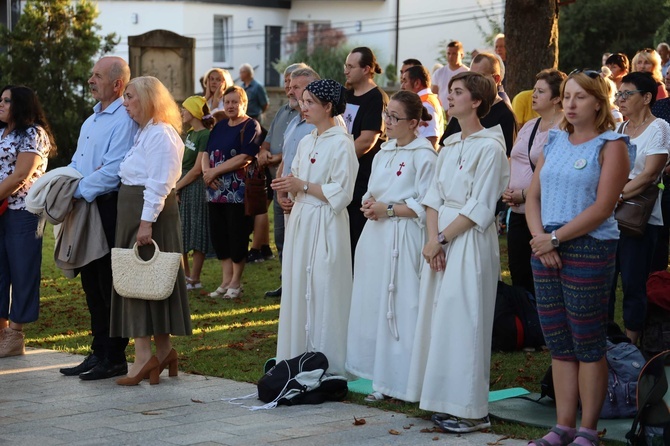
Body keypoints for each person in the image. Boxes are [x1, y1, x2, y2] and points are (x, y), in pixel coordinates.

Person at [525, 69, 631, 446]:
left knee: (587, 342)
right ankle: (562, 426)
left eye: (580, 97)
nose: (570, 103)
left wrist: (554, 238)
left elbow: (604, 207)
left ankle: (588, 430)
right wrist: (540, 238)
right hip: (546, 248)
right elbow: (532, 196)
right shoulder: (553, 140)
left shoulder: (611, 145)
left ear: (599, 103)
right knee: (559, 343)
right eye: (566, 96)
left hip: (589, 248)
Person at [408, 71, 510, 433]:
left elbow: (482, 205)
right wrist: (433, 238)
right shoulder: (449, 145)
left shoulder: (491, 147)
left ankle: (472, 410)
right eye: (448, 92)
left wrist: (443, 239)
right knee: (441, 318)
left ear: (477, 101)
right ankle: (442, 399)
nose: (447, 98)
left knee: (467, 319)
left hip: (468, 240)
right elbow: (433, 196)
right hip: (442, 237)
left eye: (457, 92)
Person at [346, 90, 436, 402]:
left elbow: (427, 203)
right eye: (388, 115)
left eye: (395, 118)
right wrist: (370, 203)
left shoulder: (425, 156)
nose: (388, 122)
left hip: (403, 236)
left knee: (401, 304)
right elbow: (374, 189)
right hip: (377, 236)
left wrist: (389, 210)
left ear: (414, 123)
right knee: (374, 302)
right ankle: (379, 375)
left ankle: (403, 379)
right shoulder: (384, 152)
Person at [109, 76, 192, 386]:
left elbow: (159, 182)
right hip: (138, 212)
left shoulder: (161, 135)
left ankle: (144, 356)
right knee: (143, 282)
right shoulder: (146, 132)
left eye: (130, 97)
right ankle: (164, 351)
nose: (125, 102)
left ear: (147, 99)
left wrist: (145, 222)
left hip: (148, 214)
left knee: (142, 281)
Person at [272, 79, 358, 376]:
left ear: (328, 107)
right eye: (303, 101)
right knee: (298, 284)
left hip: (325, 221)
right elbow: (296, 177)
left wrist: (303, 186)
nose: (303, 107)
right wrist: (288, 191)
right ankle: (296, 353)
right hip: (302, 220)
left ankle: (327, 358)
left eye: (310, 103)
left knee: (324, 285)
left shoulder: (342, 144)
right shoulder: (308, 139)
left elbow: (342, 192)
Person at [59, 56, 137, 380]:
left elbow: (114, 169)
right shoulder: (90, 121)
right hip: (85, 204)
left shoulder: (124, 120)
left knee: (108, 282)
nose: (91, 80)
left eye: (97, 75)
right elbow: (79, 162)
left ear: (117, 84)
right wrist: (66, 186)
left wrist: (75, 191)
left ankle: (115, 356)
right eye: (91, 74)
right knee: (90, 279)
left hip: (108, 206)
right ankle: (98, 350)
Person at [609, 72, 669, 344]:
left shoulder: (660, 128)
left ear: (646, 98)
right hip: (610, 218)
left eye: (626, 94)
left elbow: (650, 175)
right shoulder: (618, 130)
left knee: (634, 284)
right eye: (618, 94)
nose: (620, 99)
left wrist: (616, 196)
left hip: (639, 222)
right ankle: (606, 341)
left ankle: (632, 346)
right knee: (607, 283)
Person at [0, 86, 55, 357]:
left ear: (20, 105)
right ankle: (0, 330)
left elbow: (21, 174)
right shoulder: (1, 132)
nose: (1, 104)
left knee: (22, 272)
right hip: (0, 211)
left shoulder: (33, 134)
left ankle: (15, 335)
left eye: (7, 100)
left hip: (24, 211)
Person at [502, 69, 566, 296]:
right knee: (519, 275)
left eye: (541, 91)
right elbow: (514, 159)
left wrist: (525, 193)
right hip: (517, 213)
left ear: (557, 98)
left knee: (543, 280)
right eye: (534, 90)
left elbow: (558, 174)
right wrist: (508, 191)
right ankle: (525, 326)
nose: (534, 95)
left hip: (544, 214)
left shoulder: (564, 130)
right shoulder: (530, 126)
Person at [202, 86, 262, 299]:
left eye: (235, 102)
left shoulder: (251, 125)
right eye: (227, 102)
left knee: (237, 235)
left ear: (243, 103)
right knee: (220, 237)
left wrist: (214, 171)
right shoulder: (219, 127)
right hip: (215, 191)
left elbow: (245, 156)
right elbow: (206, 152)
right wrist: (207, 172)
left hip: (238, 193)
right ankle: (226, 280)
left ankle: (236, 281)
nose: (230, 106)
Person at [250, 63, 306, 266]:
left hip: (299, 186)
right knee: (281, 237)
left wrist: (276, 158)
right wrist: (264, 152)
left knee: (298, 241)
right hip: (278, 182)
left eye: (293, 84)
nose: (289, 88)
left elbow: (299, 150)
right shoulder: (284, 112)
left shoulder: (311, 117)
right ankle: (285, 282)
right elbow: (269, 138)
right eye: (286, 82)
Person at [342, 47, 389, 257]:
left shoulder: (376, 98)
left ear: (367, 69)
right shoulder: (346, 94)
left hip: (362, 179)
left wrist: (336, 160)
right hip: (342, 176)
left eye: (351, 66)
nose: (346, 71)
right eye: (346, 65)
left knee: (356, 238)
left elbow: (366, 141)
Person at [441, 52, 517, 156]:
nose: (472, 81)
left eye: (479, 76)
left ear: (496, 79)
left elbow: (506, 157)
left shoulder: (505, 115)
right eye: (470, 75)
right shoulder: (464, 109)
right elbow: (443, 148)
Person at [175, 96, 215, 290]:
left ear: (194, 112)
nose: (181, 112)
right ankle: (186, 275)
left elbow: (197, 169)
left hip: (196, 187)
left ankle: (195, 278)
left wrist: (177, 187)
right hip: (183, 184)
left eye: (184, 109)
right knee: (181, 231)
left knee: (197, 230)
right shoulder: (190, 133)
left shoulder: (204, 135)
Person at [400, 65, 444, 149]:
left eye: (405, 81)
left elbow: (431, 138)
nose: (402, 86)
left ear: (417, 83)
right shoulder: (429, 99)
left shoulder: (424, 103)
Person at [432, 40, 469, 108]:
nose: (451, 56)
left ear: (461, 55)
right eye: (448, 53)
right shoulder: (438, 73)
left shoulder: (467, 73)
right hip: (442, 113)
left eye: (454, 53)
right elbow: (434, 95)